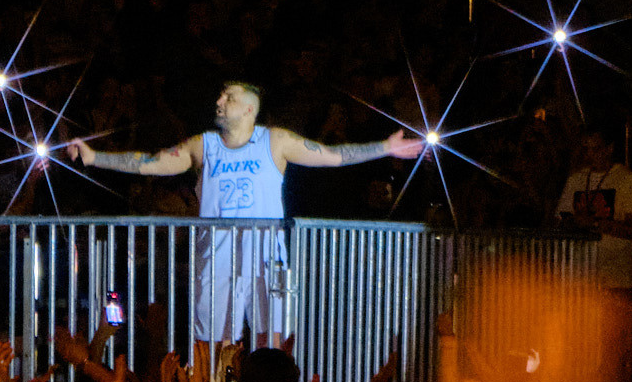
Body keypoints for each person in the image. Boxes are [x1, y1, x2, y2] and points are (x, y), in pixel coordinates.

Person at [67, 81, 421, 344]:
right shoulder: (201, 145)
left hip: (267, 254)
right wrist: (97, 157)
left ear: (250, 109)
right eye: (219, 95)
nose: (219, 101)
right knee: (213, 345)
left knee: (275, 342)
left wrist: (384, 148)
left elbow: (333, 155)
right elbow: (149, 163)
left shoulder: (275, 140)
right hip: (217, 254)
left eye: (229, 97)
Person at [553, 128, 632, 291]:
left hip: (615, 280)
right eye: (585, 149)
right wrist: (572, 223)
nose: (588, 155)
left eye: (595, 149)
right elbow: (559, 220)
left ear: (609, 149)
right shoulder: (576, 179)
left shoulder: (628, 180)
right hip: (578, 279)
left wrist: (594, 224)